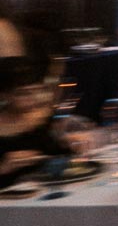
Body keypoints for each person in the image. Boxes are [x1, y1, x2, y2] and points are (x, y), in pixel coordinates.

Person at [0, 57, 70, 189]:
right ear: (4, 95)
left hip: (51, 191)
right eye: (23, 94)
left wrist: (71, 143)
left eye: (39, 90)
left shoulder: (47, 117)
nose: (34, 99)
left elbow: (64, 158)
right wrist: (4, 167)